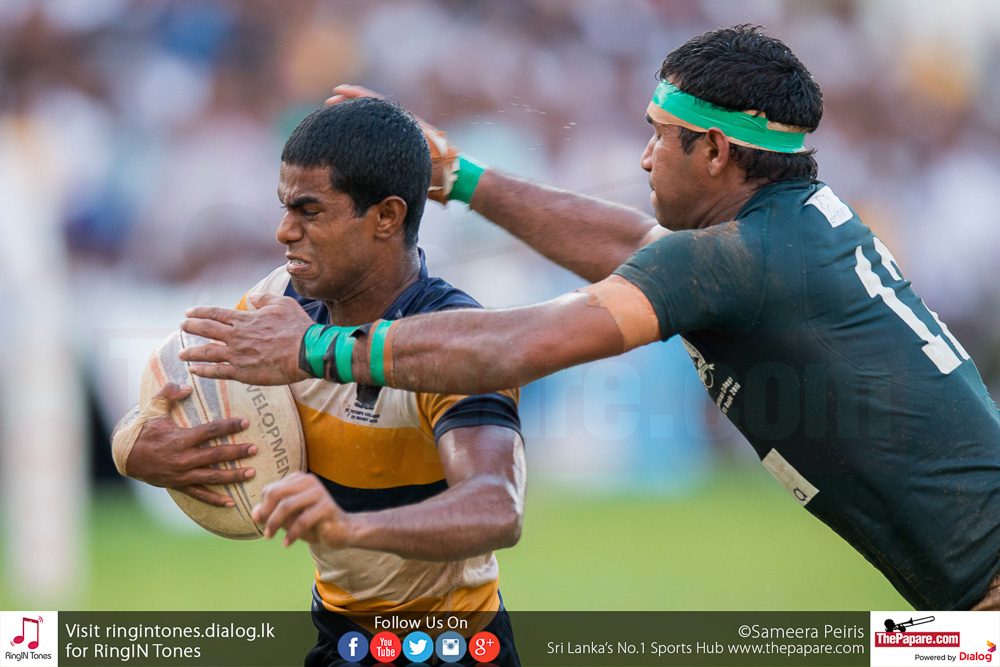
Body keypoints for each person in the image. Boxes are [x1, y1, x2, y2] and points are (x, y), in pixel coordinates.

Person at [178, 24, 1000, 612]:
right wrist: (459, 177)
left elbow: (516, 345)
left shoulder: (739, 258)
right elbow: (634, 247)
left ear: (715, 152)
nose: (644, 157)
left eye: (660, 137)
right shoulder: (787, 226)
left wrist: (317, 347)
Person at [111, 98, 525, 666]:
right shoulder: (280, 301)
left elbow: (496, 507)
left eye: (309, 211)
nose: (284, 231)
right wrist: (133, 444)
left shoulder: (453, 340)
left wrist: (350, 527)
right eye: (285, 207)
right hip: (340, 637)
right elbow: (177, 388)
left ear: (386, 217)